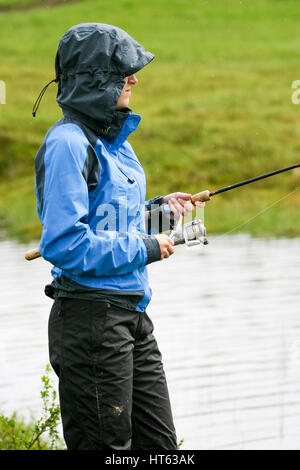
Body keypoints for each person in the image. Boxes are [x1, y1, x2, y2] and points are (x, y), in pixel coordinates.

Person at [33, 23, 202, 450]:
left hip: (133, 317)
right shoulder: (68, 144)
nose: (134, 78)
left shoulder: (118, 143)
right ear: (93, 78)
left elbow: (112, 224)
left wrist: (162, 215)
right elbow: (65, 244)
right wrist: (146, 249)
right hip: (91, 321)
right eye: (122, 70)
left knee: (163, 450)